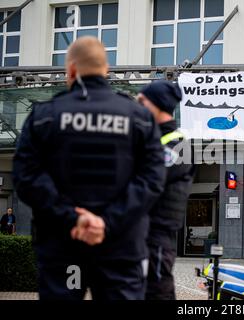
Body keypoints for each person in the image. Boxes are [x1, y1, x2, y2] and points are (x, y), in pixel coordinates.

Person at [13, 36, 166, 300]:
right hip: (121, 247)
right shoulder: (139, 118)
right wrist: (106, 223)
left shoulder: (44, 116)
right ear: (105, 70)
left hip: (63, 246)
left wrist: (73, 218)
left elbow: (26, 177)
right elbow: (152, 180)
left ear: (71, 70)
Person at [138, 81, 195, 300]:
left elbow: (148, 179)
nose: (138, 105)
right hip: (143, 231)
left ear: (158, 105)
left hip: (158, 233)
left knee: (157, 289)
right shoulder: (150, 138)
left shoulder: (177, 145)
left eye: (143, 101)